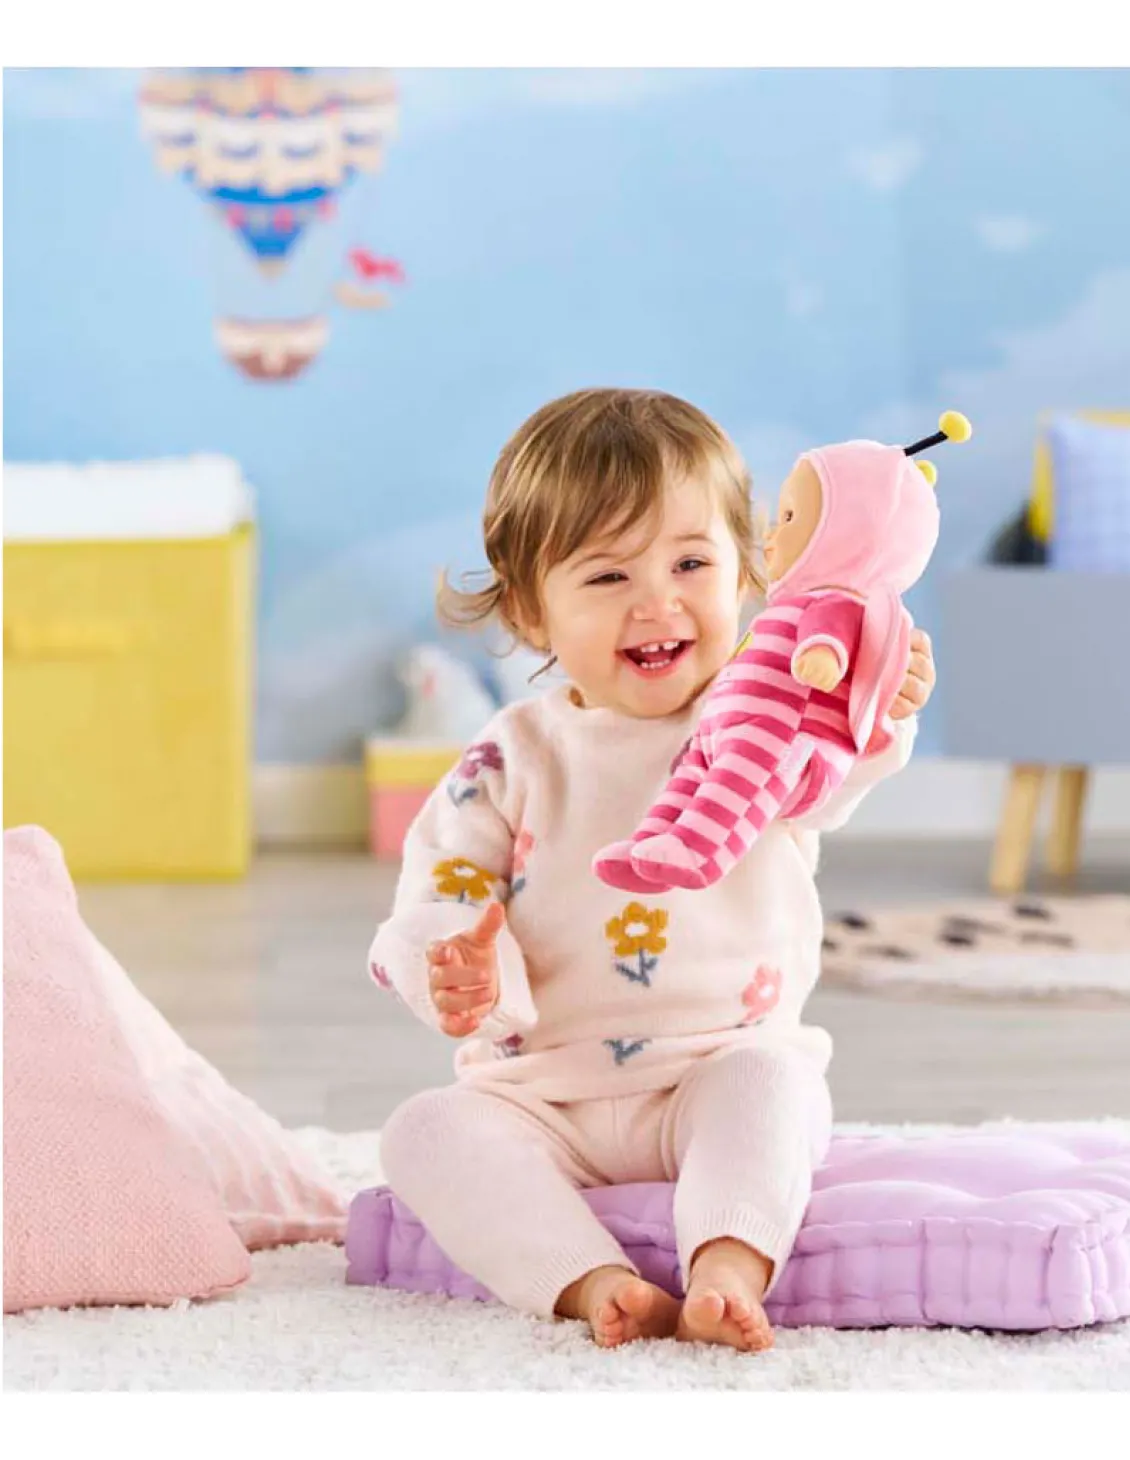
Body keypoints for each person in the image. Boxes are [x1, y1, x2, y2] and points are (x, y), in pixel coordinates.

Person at [369, 388, 936, 1351]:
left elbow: (826, 779)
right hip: (541, 1093)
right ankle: (595, 1284)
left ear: (747, 574)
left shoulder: (761, 723)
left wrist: (878, 707)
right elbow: (439, 892)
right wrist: (453, 968)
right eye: (607, 576)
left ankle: (726, 1268)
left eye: (690, 564)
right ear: (531, 610)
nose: (657, 603)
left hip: (714, 1067)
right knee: (424, 1132)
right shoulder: (509, 758)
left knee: (777, 1088)